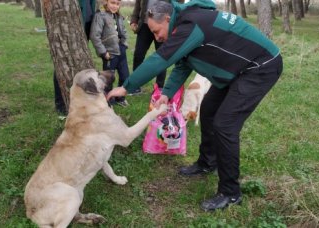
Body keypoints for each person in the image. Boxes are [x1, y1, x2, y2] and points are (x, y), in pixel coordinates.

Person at [107, 0, 283, 211]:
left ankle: (230, 193)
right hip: (237, 69)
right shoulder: (185, 23)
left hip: (259, 67)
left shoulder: (192, 24)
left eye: (156, 31)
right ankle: (208, 163)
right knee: (208, 110)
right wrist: (166, 94)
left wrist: (126, 87)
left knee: (225, 125)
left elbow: (160, 59)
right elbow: (183, 63)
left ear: (166, 19)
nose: (157, 37)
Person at [129, 0, 183, 95]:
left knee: (162, 56)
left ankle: (159, 87)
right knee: (138, 54)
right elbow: (138, 4)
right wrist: (134, 19)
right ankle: (134, 86)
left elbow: (179, 4)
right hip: (145, 25)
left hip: (162, 25)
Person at [54, 0, 97, 114]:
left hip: (87, 23)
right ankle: (61, 103)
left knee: (79, 59)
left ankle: (79, 99)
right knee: (63, 61)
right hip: (70, 25)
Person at [90, 0, 130, 107]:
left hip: (121, 51)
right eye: (112, 2)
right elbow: (95, 36)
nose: (115, 6)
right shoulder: (100, 16)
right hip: (109, 53)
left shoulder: (119, 16)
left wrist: (124, 44)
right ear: (106, 2)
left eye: (117, 4)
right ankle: (108, 100)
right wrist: (103, 52)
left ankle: (120, 98)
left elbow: (124, 32)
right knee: (108, 79)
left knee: (125, 76)